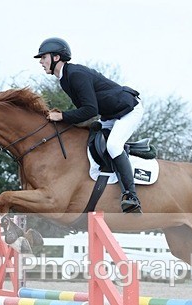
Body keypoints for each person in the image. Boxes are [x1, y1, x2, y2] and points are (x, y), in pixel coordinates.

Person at [34, 37, 144, 214]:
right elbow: (87, 110)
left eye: (43, 57)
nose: (41, 62)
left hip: (128, 110)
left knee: (114, 145)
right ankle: (129, 152)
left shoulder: (75, 75)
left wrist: (62, 116)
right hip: (109, 114)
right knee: (92, 138)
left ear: (56, 57)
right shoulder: (65, 78)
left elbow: (90, 110)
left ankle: (131, 197)